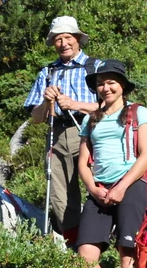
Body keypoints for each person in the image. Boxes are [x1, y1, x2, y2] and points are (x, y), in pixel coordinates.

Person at [76, 59, 147, 268]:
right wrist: (92, 188)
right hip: (99, 189)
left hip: (131, 184)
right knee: (86, 252)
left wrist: (122, 186)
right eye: (101, 84)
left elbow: (145, 155)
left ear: (122, 86)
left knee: (126, 246)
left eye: (111, 82)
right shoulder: (92, 119)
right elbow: (83, 163)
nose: (106, 88)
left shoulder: (138, 112)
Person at [24, 16, 99, 243]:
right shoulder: (47, 73)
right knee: (61, 195)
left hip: (91, 131)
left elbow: (110, 106)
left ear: (78, 39)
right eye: (58, 39)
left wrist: (75, 105)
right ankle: (75, 246)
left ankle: (98, 241)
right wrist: (47, 102)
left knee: (98, 186)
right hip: (57, 135)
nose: (63, 43)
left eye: (68, 37)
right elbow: (35, 118)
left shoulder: (95, 67)